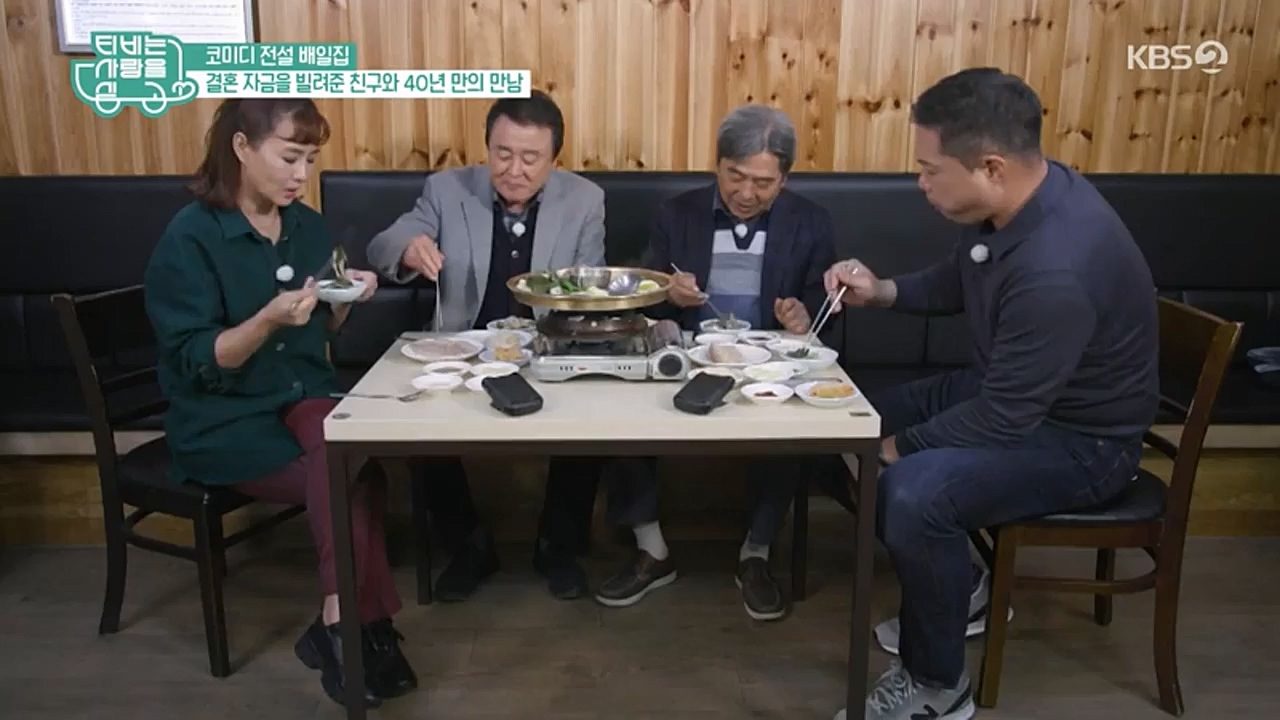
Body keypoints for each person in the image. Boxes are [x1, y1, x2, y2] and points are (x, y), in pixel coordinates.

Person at [824, 68, 1159, 720]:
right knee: (838, 419)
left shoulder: (1057, 266)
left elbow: (1004, 418)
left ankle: (937, 685)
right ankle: (960, 586)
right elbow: (962, 277)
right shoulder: (1019, 202)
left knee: (912, 490)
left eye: (930, 170)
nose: (921, 183)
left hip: (1083, 443)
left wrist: (891, 451)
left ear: (992, 167)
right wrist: (882, 291)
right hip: (1013, 393)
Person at [143, 99, 418, 708]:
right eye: (290, 157)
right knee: (351, 477)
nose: (301, 175)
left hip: (299, 397)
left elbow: (318, 334)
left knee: (347, 451)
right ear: (242, 147)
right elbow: (199, 359)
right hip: (222, 419)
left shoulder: (307, 227)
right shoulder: (191, 235)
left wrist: (344, 302)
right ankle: (359, 628)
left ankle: (341, 623)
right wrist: (266, 320)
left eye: (311, 160)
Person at [596, 105, 836, 622]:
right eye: (735, 176)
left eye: (763, 183)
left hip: (767, 362)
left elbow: (823, 306)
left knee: (792, 427)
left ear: (784, 179)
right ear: (718, 165)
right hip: (687, 354)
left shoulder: (811, 222)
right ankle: (651, 549)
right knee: (619, 411)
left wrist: (802, 315)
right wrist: (668, 291)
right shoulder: (676, 215)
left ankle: (756, 553)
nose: (746, 193)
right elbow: (643, 296)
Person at [366, 90, 605, 602]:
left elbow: (590, 287)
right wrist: (409, 248)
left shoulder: (584, 199)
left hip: (548, 346)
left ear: (554, 158)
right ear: (487, 148)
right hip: (462, 347)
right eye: (503, 153)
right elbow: (384, 243)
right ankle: (468, 547)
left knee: (591, 416)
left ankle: (557, 546)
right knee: (419, 426)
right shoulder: (446, 188)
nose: (514, 170)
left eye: (530, 157)